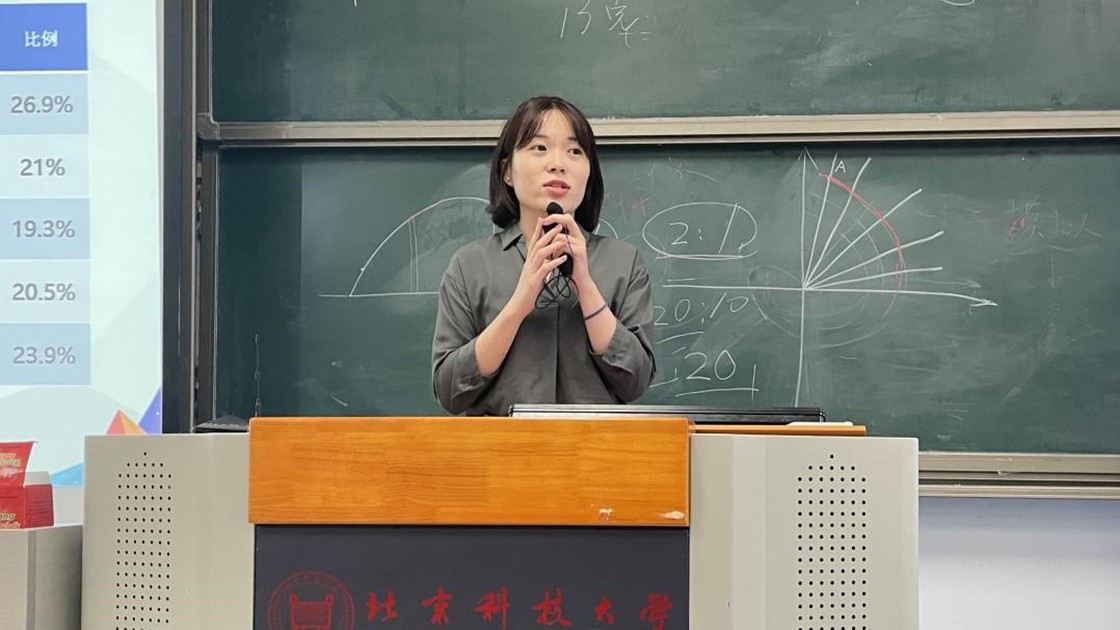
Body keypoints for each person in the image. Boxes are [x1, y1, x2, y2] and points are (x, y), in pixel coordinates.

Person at [431, 95, 656, 415]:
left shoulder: (624, 262)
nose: (558, 163)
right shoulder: (470, 266)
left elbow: (635, 381)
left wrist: (585, 286)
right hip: (502, 446)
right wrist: (520, 303)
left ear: (589, 173)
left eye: (574, 151)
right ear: (507, 171)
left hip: (596, 445)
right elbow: (450, 391)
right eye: (539, 147)